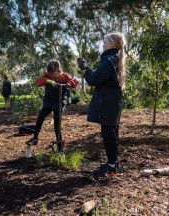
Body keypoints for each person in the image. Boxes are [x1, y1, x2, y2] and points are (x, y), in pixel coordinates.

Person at [77, 32, 126, 177]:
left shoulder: (109, 60)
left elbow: (94, 79)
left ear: (112, 43)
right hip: (113, 102)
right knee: (112, 133)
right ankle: (114, 163)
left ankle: (111, 165)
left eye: (105, 41)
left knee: (108, 133)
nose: (103, 44)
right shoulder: (116, 58)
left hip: (107, 102)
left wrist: (85, 68)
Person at [26, 60, 78, 152]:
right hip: (48, 102)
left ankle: (60, 148)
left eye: (53, 73)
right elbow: (38, 82)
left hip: (59, 102)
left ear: (58, 70)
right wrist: (48, 80)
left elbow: (74, 81)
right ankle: (35, 137)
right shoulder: (47, 75)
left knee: (57, 125)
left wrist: (69, 84)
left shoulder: (64, 76)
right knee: (40, 117)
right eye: (50, 74)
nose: (52, 76)